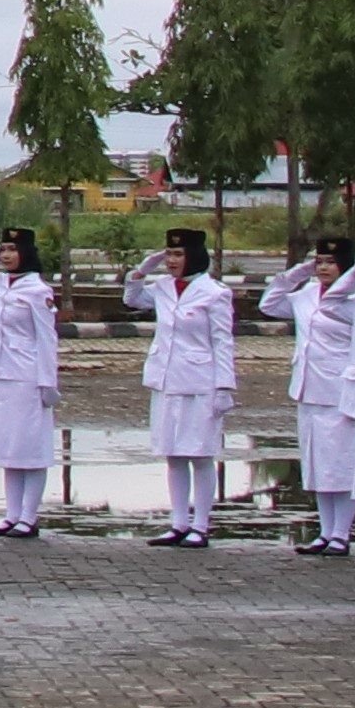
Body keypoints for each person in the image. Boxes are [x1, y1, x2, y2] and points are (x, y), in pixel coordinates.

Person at [124, 228, 235, 545]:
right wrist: (144, 268)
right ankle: (178, 523)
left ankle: (200, 525)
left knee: (200, 454)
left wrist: (225, 387)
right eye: (169, 254)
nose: (172, 261)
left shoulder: (215, 293)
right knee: (172, 453)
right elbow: (132, 298)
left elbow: (223, 342)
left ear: (194, 257)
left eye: (178, 255)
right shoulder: (163, 287)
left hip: (201, 383)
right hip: (166, 378)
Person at [262, 232, 355, 559]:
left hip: (339, 390)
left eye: (331, 262)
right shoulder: (306, 294)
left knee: (341, 464)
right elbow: (270, 303)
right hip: (307, 387)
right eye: (320, 261)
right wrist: (299, 272)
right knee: (317, 463)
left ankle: (341, 534)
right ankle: (325, 530)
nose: (324, 268)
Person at [0, 230, 59, 536]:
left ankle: (29, 517)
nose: (6, 255)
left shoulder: (37, 289)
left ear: (26, 253)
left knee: (30, 448)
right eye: (2, 250)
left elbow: (47, 338)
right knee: (8, 447)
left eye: (11, 250)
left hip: (27, 376)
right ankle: (11, 515)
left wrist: (48, 382)